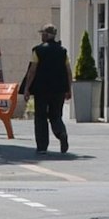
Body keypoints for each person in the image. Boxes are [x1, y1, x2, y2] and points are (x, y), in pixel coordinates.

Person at [19, 23, 72, 156]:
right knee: (56, 115)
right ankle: (61, 133)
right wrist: (68, 89)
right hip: (59, 89)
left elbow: (32, 71)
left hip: (41, 90)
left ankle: (42, 146)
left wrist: (27, 88)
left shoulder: (38, 50)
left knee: (41, 117)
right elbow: (68, 71)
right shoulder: (62, 51)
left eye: (42, 33)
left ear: (46, 35)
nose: (41, 35)